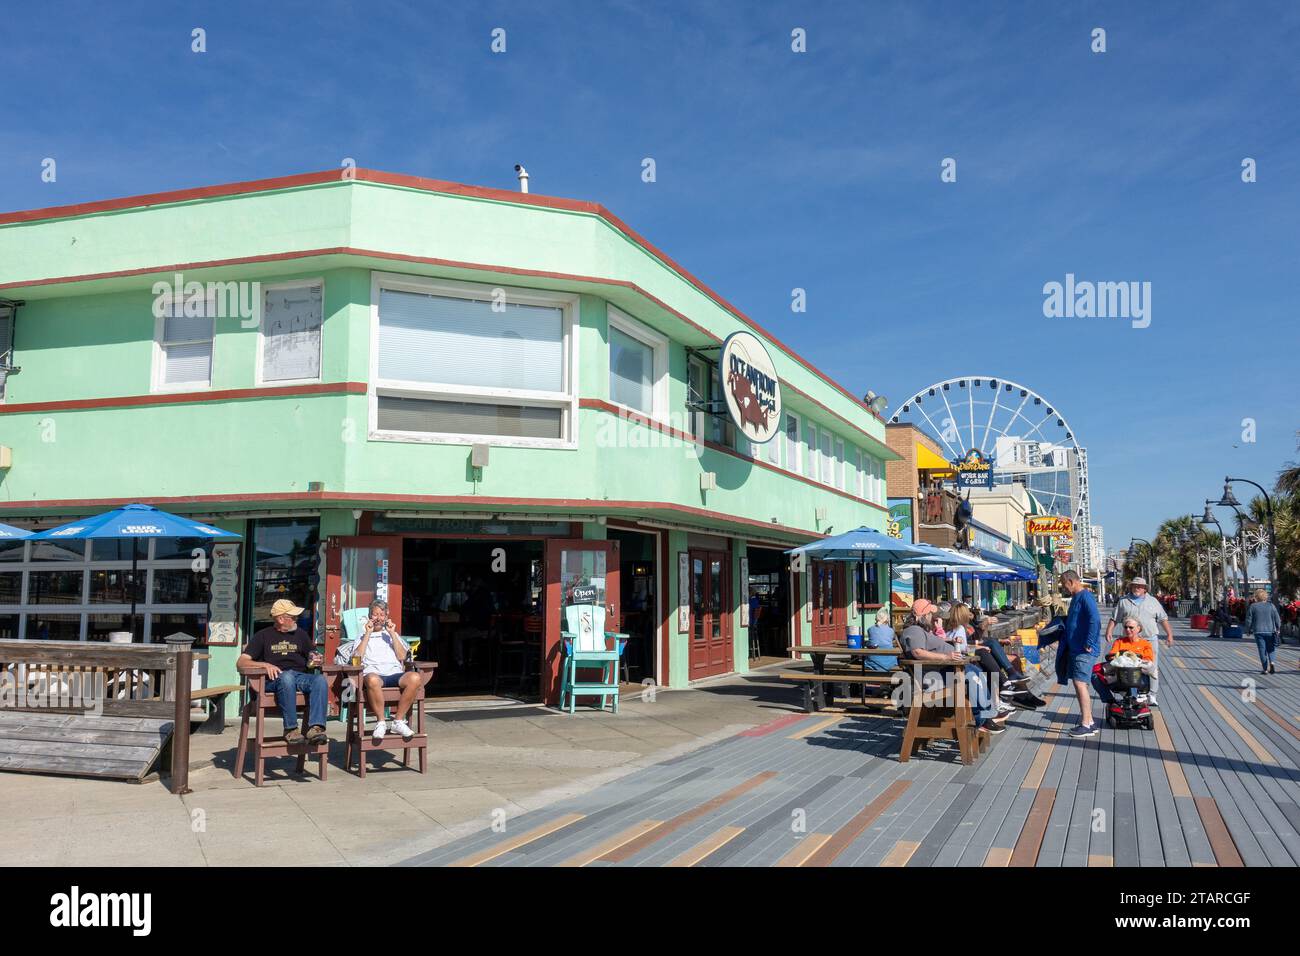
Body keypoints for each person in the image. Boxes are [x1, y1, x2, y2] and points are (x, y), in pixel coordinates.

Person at [897, 599, 1008, 735]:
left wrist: (950, 641)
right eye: (931, 614)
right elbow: (917, 652)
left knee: (978, 674)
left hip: (945, 669)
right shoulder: (913, 630)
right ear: (924, 615)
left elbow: (932, 645)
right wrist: (946, 657)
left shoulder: (921, 630)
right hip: (936, 676)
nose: (934, 617)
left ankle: (988, 714)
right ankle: (983, 719)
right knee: (974, 677)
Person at [238, 599, 329, 747]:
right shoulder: (263, 636)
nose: (296, 619)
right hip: (273, 680)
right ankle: (291, 729)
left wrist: (316, 658)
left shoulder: (301, 634)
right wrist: (265, 665)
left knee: (319, 679)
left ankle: (316, 728)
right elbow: (241, 662)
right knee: (287, 677)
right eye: (292, 617)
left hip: (299, 677)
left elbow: (312, 655)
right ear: (280, 619)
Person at [354, 599, 422, 743]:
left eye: (381, 615)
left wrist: (392, 633)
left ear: (386, 616)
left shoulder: (392, 634)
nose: (378, 618)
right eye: (375, 614)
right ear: (369, 617)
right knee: (372, 679)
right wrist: (367, 634)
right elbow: (356, 658)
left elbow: (403, 656)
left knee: (415, 678)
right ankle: (381, 722)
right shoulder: (362, 635)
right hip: (374, 675)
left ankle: (398, 721)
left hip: (394, 674)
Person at [1105, 577, 1174, 706]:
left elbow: (1163, 619)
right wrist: (1109, 631)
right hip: (1129, 640)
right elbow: (1114, 618)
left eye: (1140, 586)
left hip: (1149, 638)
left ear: (1144, 589)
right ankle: (1131, 693)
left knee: (1151, 667)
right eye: (1134, 586)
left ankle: (1152, 694)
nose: (1137, 588)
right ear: (1131, 587)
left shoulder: (1153, 601)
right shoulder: (1124, 601)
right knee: (1128, 666)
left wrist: (1169, 635)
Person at [1060, 570, 1101, 737]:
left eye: (1064, 585)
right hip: (1076, 648)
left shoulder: (1085, 597)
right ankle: (1089, 721)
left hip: (1084, 649)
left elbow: (1095, 619)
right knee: (1079, 683)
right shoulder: (1076, 598)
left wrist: (1089, 642)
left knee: (1080, 683)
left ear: (1071, 582)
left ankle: (1085, 724)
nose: (1064, 589)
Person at [1092, 618, 1154, 706]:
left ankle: (1134, 698)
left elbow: (1148, 660)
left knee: (1132, 670)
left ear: (1138, 629)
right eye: (1126, 627)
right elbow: (1112, 655)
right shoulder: (1119, 642)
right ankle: (1110, 700)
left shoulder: (1145, 644)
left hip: (1137, 676)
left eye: (1131, 627)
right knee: (1094, 676)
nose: (1127, 629)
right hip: (1119, 675)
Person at [1243, 589, 1281, 675]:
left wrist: (1248, 630)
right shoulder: (1271, 606)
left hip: (1258, 631)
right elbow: (1277, 619)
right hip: (1270, 631)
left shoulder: (1253, 606)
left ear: (1256, 597)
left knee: (1262, 650)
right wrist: (1278, 628)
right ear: (1265, 596)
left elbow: (1249, 620)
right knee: (1271, 648)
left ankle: (1265, 669)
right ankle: (1272, 663)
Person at [864, 606, 898, 672]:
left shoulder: (870, 629)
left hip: (873, 662)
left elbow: (872, 643)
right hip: (889, 663)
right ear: (887, 619)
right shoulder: (891, 631)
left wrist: (867, 643)